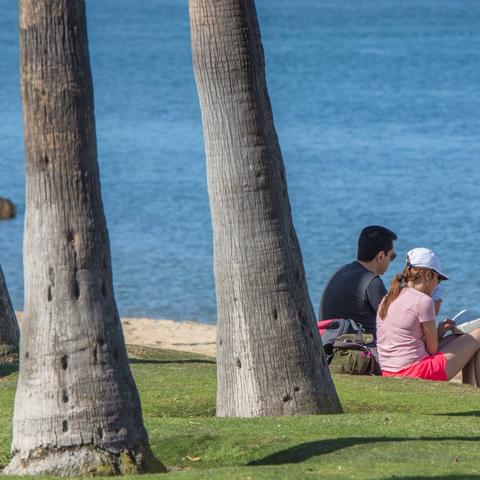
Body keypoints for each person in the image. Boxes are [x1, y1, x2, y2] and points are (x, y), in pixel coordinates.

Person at [377, 247, 480, 386]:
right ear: (427, 275)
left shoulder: (388, 298)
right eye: (438, 279)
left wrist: (439, 332)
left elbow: (409, 341)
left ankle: (470, 392)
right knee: (478, 333)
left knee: (462, 339)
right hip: (416, 372)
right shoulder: (423, 301)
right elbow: (431, 350)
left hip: (389, 371)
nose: (437, 284)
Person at [319, 225, 398, 335]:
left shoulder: (340, 271)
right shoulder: (372, 282)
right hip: (359, 348)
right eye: (391, 256)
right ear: (380, 256)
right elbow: (396, 321)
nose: (390, 260)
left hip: (328, 343)